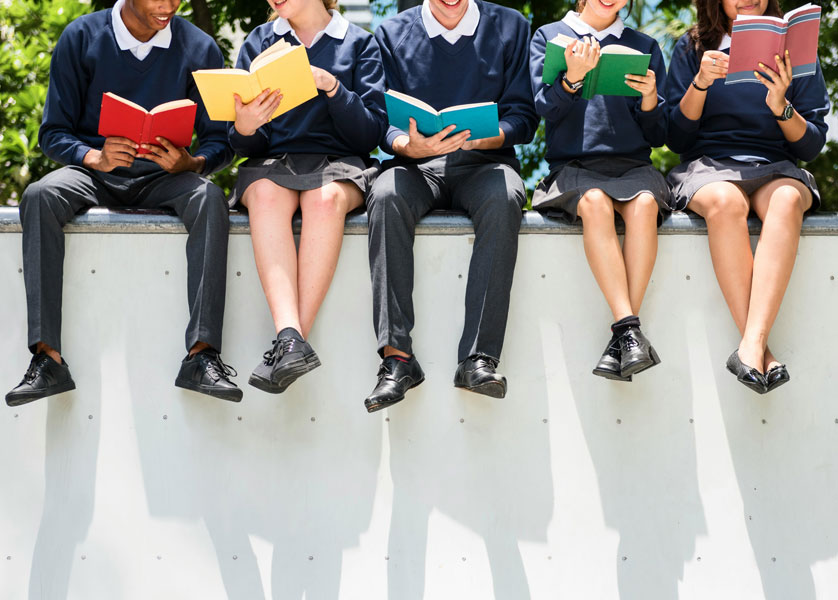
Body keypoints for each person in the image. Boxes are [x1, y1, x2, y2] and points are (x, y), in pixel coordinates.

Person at [5, 0, 240, 407]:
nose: (168, 6)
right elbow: (53, 133)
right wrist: (92, 157)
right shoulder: (80, 37)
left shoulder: (200, 49)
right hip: (94, 175)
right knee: (39, 195)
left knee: (209, 197)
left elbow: (221, 141)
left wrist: (193, 162)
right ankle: (48, 359)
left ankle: (202, 356)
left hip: (164, 178)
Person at [364, 0, 538, 412]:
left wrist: (488, 137)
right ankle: (397, 359)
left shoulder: (510, 27)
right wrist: (408, 144)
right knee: (385, 196)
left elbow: (525, 117)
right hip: (414, 166)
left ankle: (478, 358)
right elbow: (378, 122)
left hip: (485, 163)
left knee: (506, 197)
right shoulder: (392, 33)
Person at [665, 0, 829, 393]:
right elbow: (675, 138)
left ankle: (751, 347)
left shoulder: (794, 47)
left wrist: (781, 106)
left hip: (775, 164)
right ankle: (760, 350)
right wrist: (700, 84)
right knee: (725, 202)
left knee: (789, 199)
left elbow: (810, 146)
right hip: (708, 166)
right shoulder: (692, 48)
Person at [229, 0, 387, 393]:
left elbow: (370, 135)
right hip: (274, 163)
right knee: (264, 197)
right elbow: (245, 143)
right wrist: (245, 125)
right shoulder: (260, 42)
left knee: (324, 201)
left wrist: (333, 88)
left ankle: (290, 345)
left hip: (340, 162)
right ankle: (290, 338)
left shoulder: (359, 44)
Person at [529, 0, 669, 382]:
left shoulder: (644, 46)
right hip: (574, 166)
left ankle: (624, 333)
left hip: (634, 166)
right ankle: (628, 330)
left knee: (643, 205)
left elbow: (659, 134)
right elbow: (543, 107)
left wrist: (651, 98)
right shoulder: (550, 37)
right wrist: (571, 79)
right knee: (594, 202)